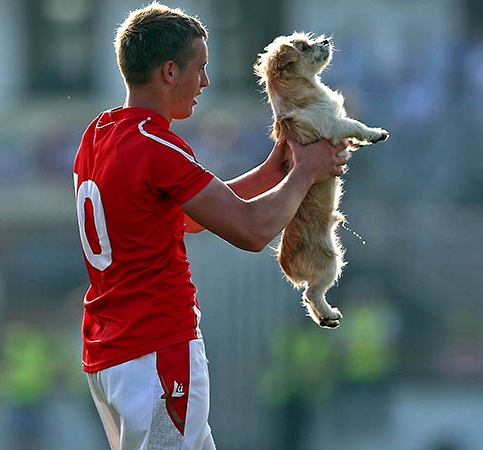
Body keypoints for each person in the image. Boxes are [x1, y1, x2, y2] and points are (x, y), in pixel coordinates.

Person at [72, 3, 349, 449]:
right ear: (168, 72)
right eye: (199, 68)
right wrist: (306, 173)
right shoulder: (157, 145)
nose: (204, 82)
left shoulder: (99, 134)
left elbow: (182, 217)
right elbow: (252, 230)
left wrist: (270, 173)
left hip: (111, 355)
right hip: (156, 352)